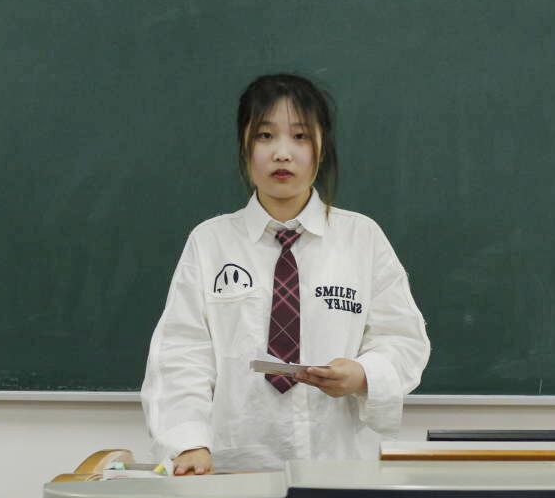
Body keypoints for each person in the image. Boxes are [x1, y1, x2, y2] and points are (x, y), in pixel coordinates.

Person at [141, 73, 430, 475]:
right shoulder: (210, 242)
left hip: (340, 468)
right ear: (244, 147)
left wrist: (363, 373)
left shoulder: (361, 238)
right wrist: (189, 443)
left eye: (300, 136)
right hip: (231, 469)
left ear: (321, 149)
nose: (282, 153)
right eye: (264, 136)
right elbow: (181, 354)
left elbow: (402, 339)